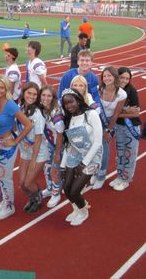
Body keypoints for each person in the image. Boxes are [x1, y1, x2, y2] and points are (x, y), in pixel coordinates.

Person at [0, 75, 32, 220]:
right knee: (0, 176)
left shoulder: (10, 104)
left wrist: (16, 141)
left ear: (7, 88)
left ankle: (10, 206)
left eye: (2, 87)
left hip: (7, 146)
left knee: (5, 177)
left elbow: (28, 124)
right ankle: (5, 201)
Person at [61, 88, 103, 226]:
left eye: (71, 102)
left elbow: (98, 142)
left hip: (92, 155)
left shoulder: (91, 114)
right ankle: (78, 208)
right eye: (65, 104)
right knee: (66, 188)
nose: (69, 106)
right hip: (76, 152)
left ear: (78, 100)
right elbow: (69, 144)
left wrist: (84, 163)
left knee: (74, 191)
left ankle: (84, 211)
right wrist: (62, 165)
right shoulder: (70, 118)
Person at [91, 66, 127, 190]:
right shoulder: (97, 89)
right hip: (95, 122)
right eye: (104, 76)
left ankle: (101, 175)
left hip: (109, 124)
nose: (107, 78)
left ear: (115, 77)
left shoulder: (121, 94)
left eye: (109, 75)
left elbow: (116, 114)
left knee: (103, 148)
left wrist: (108, 130)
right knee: (94, 149)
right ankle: (95, 172)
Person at [18, 82, 49, 213]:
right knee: (21, 184)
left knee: (28, 183)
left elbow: (38, 138)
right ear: (23, 93)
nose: (31, 96)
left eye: (34, 94)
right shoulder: (20, 108)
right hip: (25, 150)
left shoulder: (37, 113)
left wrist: (33, 160)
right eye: (29, 93)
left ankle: (38, 197)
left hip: (38, 152)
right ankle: (32, 197)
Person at [109, 67, 141, 191]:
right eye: (122, 77)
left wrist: (117, 113)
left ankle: (126, 179)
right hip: (118, 126)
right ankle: (120, 176)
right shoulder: (113, 90)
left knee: (129, 154)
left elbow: (136, 113)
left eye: (127, 78)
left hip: (130, 127)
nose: (124, 80)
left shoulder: (131, 91)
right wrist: (124, 111)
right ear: (117, 77)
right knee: (120, 153)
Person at [40, 85, 65, 208]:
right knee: (47, 168)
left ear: (53, 97)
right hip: (48, 143)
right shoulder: (42, 109)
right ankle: (50, 188)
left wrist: (57, 152)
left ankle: (56, 193)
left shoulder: (56, 112)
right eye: (43, 95)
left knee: (55, 170)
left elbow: (60, 134)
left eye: (49, 96)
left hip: (57, 145)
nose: (46, 98)